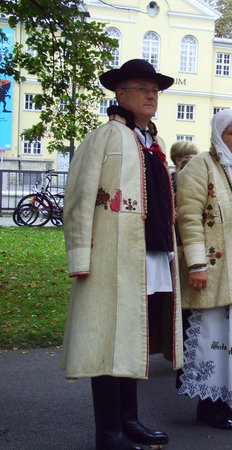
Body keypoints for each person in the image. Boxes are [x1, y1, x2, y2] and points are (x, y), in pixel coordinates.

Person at [61, 59, 183, 450]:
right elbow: (78, 200)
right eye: (142, 88)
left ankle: (129, 420)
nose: (151, 95)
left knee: (134, 337)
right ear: (120, 93)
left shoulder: (156, 144)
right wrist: (81, 256)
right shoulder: (103, 138)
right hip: (111, 257)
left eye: (155, 90)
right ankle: (108, 432)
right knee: (107, 340)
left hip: (150, 254)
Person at [176, 109, 232, 430]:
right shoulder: (201, 166)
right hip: (216, 266)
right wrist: (197, 263)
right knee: (214, 333)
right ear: (218, 135)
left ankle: (225, 400)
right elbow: (188, 216)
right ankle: (208, 404)